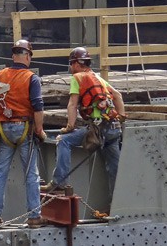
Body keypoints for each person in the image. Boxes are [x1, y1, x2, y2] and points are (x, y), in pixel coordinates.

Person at [42, 47, 127, 207]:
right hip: (113, 129)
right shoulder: (98, 78)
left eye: (71, 63)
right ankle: (117, 205)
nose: (70, 67)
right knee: (114, 169)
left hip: (98, 129)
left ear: (75, 63)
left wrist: (70, 126)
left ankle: (59, 182)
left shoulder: (77, 78)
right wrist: (121, 117)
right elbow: (118, 95)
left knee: (64, 141)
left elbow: (72, 104)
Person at [0, 39, 46, 227]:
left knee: (0, 173)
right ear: (27, 55)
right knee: (31, 174)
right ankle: (34, 216)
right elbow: (38, 107)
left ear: (13, 55)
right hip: (25, 128)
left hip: (3, 129)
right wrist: (39, 130)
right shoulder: (31, 78)